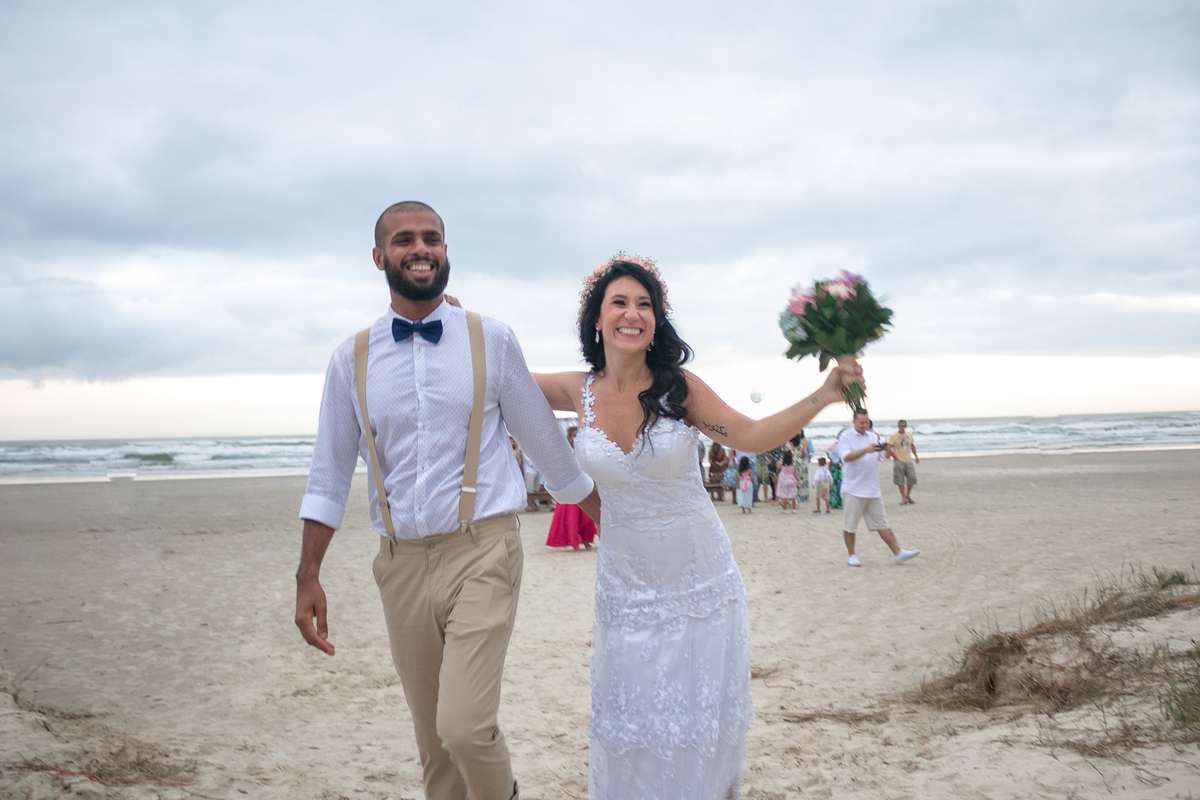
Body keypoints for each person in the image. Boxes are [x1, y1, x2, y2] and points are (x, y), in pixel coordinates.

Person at [294, 201, 601, 800]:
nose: (420, 248)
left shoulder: (491, 338)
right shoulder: (349, 359)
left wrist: (607, 517)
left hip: (482, 550)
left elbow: (546, 445)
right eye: (404, 239)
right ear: (380, 257)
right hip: (399, 563)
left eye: (431, 238)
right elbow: (328, 475)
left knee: (464, 726)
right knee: (433, 745)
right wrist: (309, 574)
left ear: (445, 250)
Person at [533, 255, 863, 799]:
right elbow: (497, 376)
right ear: (596, 318)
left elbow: (751, 436)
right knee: (631, 720)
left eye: (645, 305)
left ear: (657, 320)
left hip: (699, 584)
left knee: (694, 727)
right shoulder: (577, 391)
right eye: (619, 302)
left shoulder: (678, 389)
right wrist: (456, 324)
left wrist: (824, 395)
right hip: (625, 585)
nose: (632, 314)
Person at [835, 411, 919, 567]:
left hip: (872, 488)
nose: (865, 426)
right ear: (854, 421)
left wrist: (887, 450)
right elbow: (846, 457)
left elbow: (884, 455)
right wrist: (865, 450)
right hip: (853, 489)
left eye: (867, 422)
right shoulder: (846, 436)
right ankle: (851, 555)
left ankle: (898, 552)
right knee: (850, 524)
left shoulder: (873, 436)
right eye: (861, 423)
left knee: (882, 523)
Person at [545, 426, 599, 550]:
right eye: (574, 436)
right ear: (569, 438)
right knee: (572, 517)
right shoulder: (566, 451)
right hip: (571, 484)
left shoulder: (586, 450)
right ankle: (575, 541)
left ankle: (586, 540)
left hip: (587, 484)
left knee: (587, 516)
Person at [888, 419, 919, 505]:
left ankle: (907, 495)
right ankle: (903, 498)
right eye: (900, 426)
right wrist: (893, 456)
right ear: (898, 426)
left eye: (903, 426)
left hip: (908, 460)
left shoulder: (908, 434)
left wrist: (916, 456)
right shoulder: (894, 436)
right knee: (900, 480)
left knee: (912, 478)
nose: (902, 427)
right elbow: (889, 447)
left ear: (905, 426)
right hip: (899, 461)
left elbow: (912, 446)